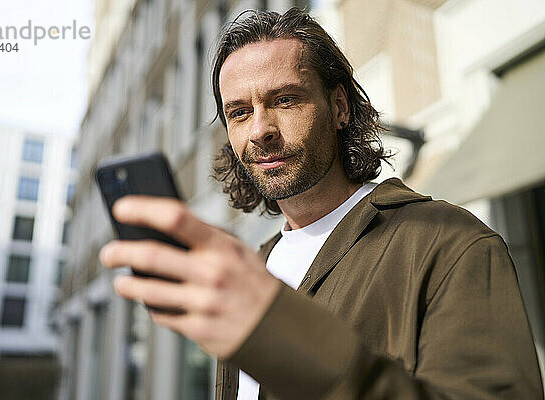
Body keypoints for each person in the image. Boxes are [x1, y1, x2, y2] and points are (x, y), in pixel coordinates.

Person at [99, 8, 543, 400]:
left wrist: (274, 329)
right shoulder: (252, 267)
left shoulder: (448, 243)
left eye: (285, 100)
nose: (260, 130)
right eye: (238, 112)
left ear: (339, 107)